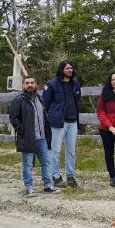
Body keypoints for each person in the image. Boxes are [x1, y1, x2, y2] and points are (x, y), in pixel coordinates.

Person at [9, 76, 60, 196]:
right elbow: (13, 117)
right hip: (28, 137)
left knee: (46, 162)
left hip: (41, 137)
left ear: (36, 84)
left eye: (32, 82)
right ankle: (29, 187)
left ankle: (48, 185)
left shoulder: (40, 99)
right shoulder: (19, 100)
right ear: (23, 86)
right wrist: (22, 131)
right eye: (27, 83)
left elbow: (44, 117)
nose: (30, 85)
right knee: (28, 163)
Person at [42, 60, 82, 188]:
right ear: (62, 70)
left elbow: (77, 100)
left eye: (71, 68)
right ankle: (56, 176)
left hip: (73, 121)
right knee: (56, 150)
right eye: (67, 68)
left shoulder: (75, 83)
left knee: (71, 151)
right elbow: (45, 104)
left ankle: (70, 176)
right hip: (58, 122)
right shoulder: (52, 84)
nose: (70, 70)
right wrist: (50, 118)